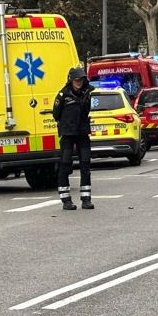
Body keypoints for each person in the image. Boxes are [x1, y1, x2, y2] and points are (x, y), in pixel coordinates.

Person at [53, 67, 95, 211]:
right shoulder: (63, 95)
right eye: (77, 79)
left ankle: (86, 199)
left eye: (81, 79)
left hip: (82, 133)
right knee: (65, 164)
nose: (79, 82)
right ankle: (66, 200)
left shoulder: (87, 93)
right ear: (71, 80)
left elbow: (87, 110)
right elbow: (56, 114)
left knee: (86, 164)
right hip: (68, 134)